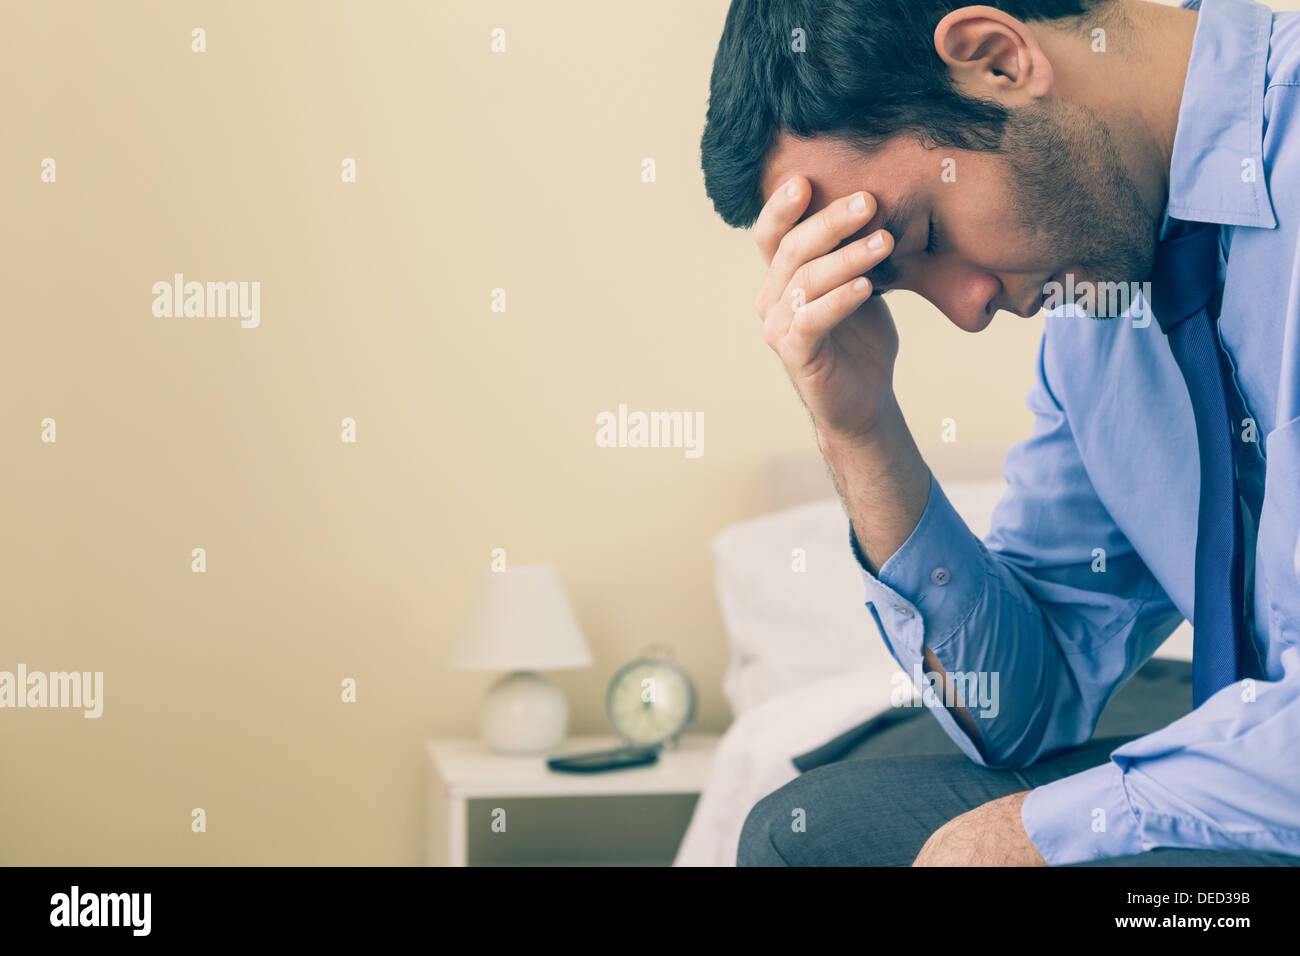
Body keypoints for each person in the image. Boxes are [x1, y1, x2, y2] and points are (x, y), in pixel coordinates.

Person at [700, 0, 1300, 865]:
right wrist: (863, 432)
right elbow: (1031, 702)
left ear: (997, 60)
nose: (968, 311)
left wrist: (1038, 831)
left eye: (927, 237)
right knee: (819, 841)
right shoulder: (1101, 316)